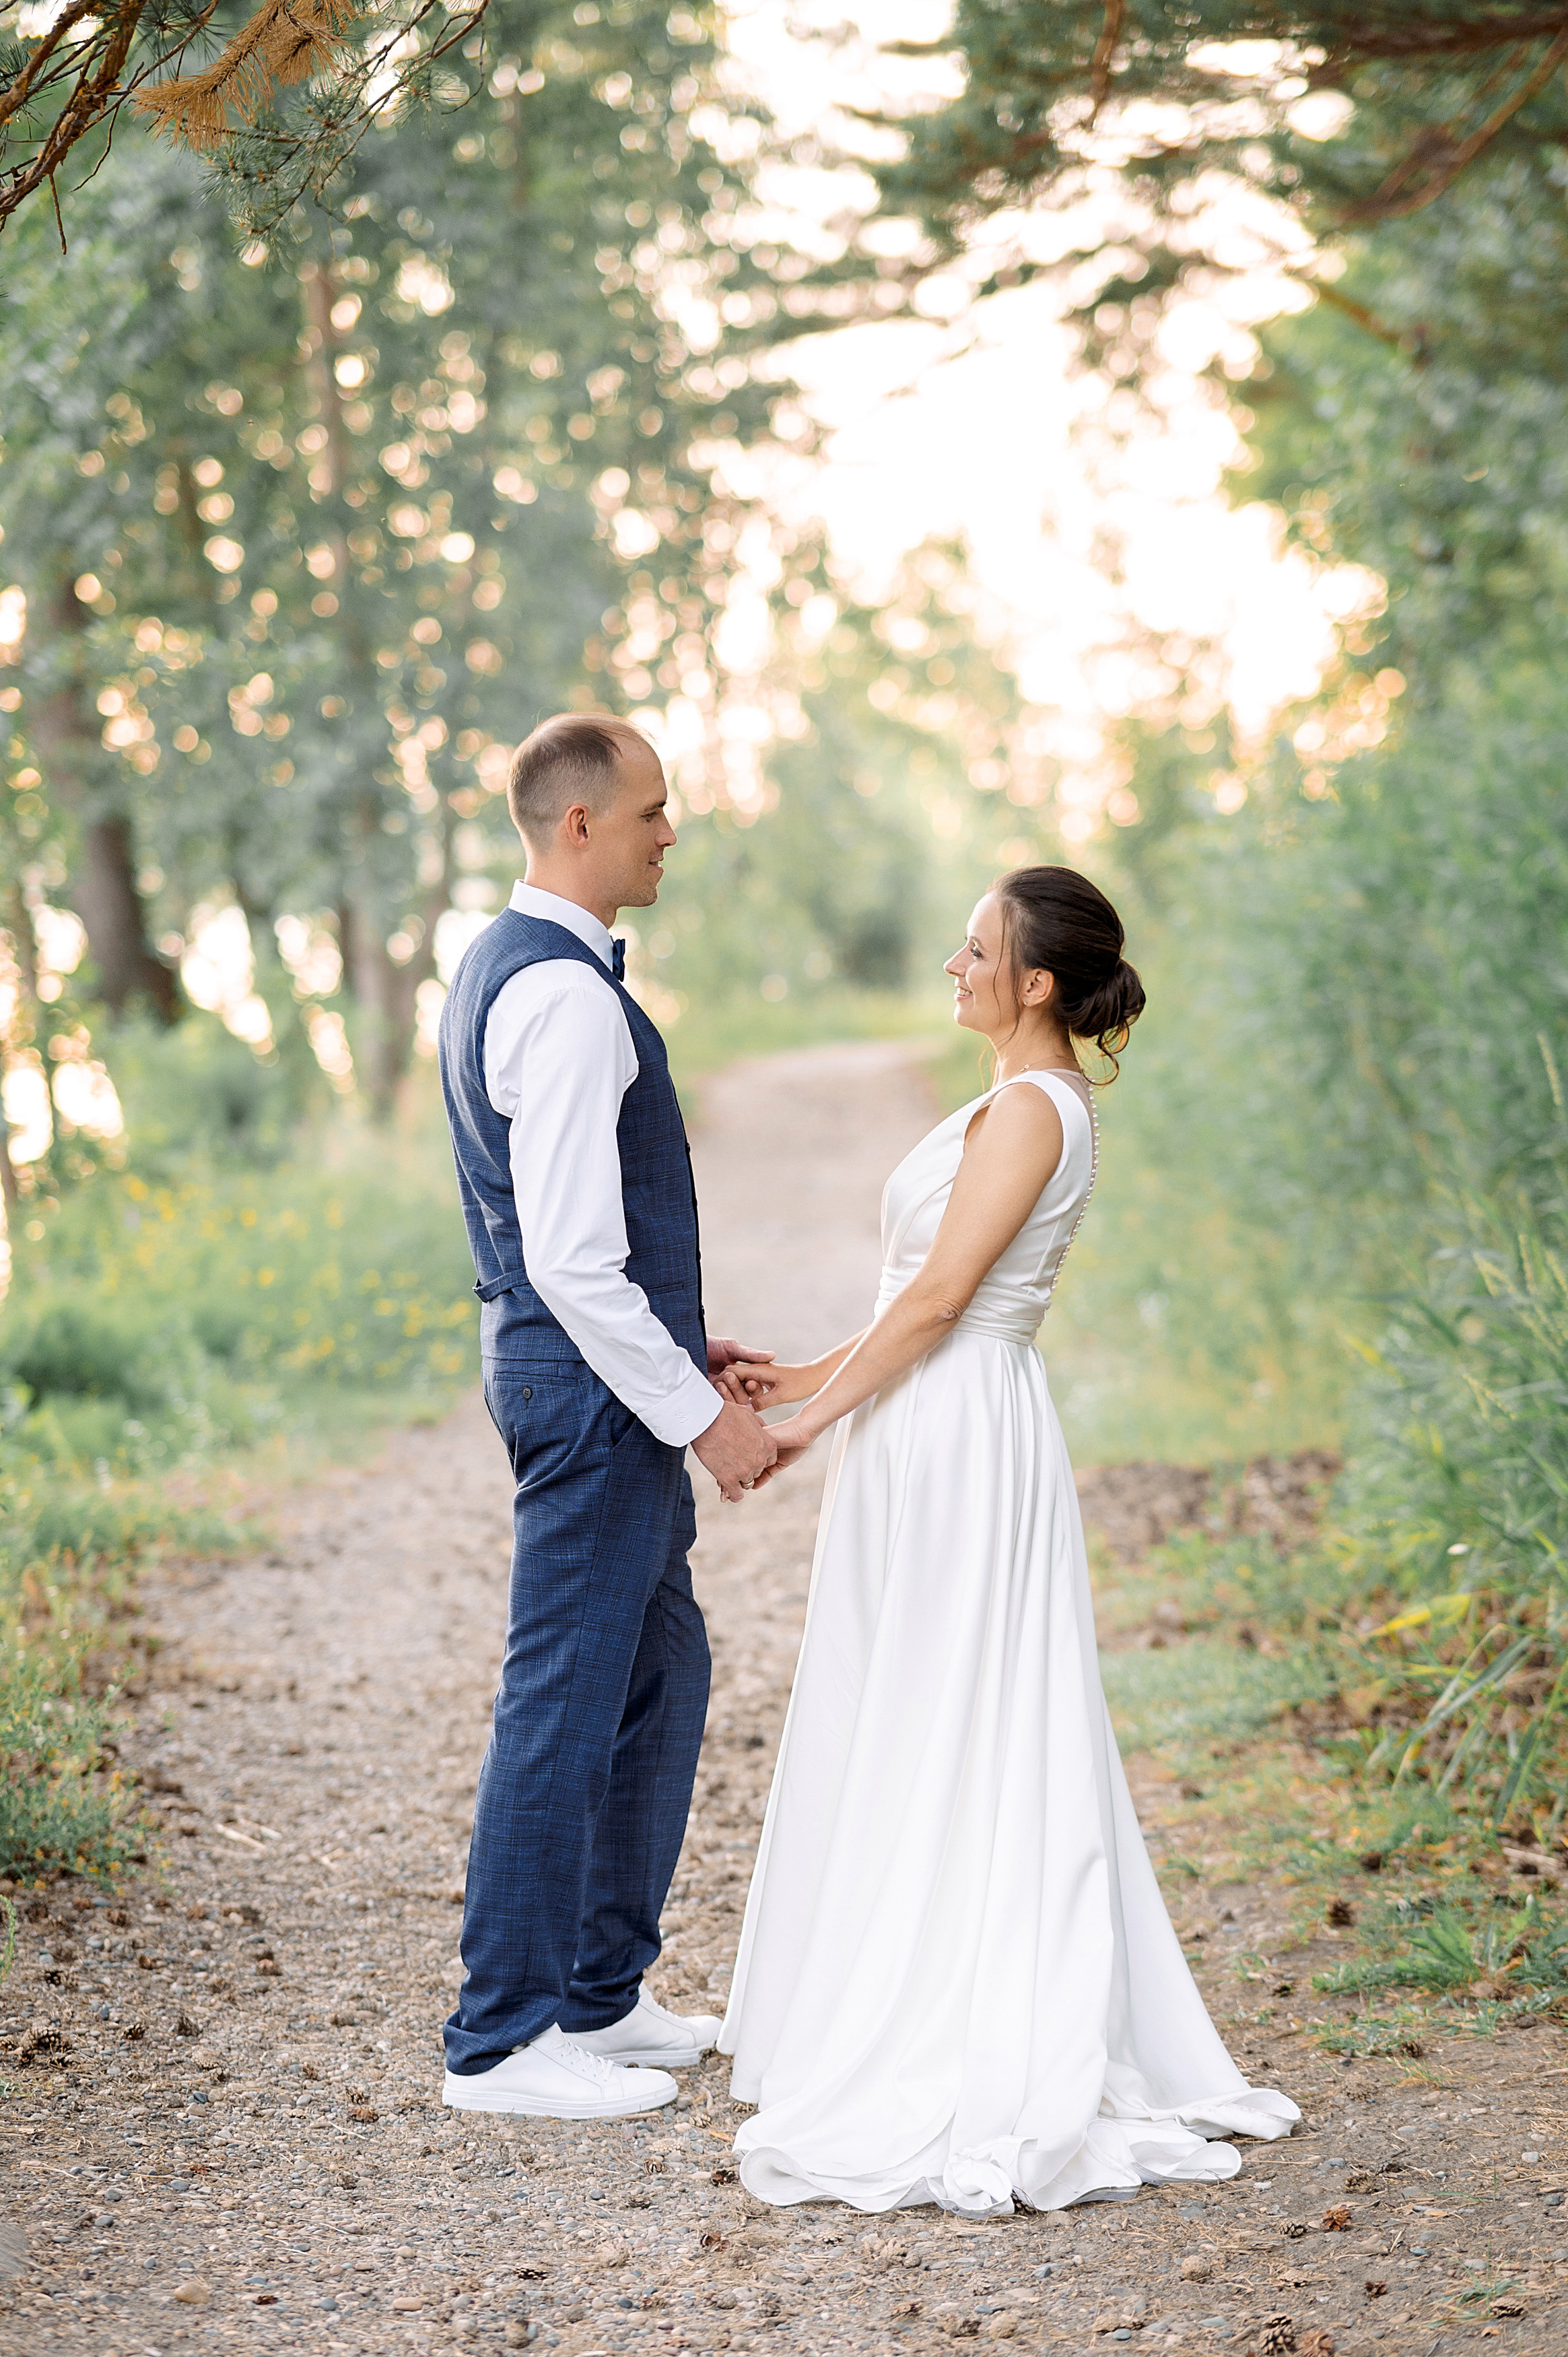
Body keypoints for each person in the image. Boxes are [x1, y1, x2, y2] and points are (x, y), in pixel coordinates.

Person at [714, 865, 1298, 2214]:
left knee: (957, 1703)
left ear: (1036, 981)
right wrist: (798, 1375)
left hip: (961, 1429)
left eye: (976, 949)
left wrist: (803, 1429)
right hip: (922, 1415)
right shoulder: (1009, 1101)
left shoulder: (1037, 1110)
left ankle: (962, 2006)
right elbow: (911, 1296)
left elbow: (942, 1305)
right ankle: (893, 1971)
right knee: (911, 1694)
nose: (954, 965)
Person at [436, 711, 776, 2121]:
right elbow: (571, 1258)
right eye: (650, 810)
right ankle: (500, 2042)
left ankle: (599, 1992)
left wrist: (682, 1346)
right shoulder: (566, 999)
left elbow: (572, 1241)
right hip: (587, 1393)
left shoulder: (509, 966)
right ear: (579, 823)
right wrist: (700, 1413)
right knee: (565, 1694)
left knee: (659, 1672)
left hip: (583, 1369)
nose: (668, 831)